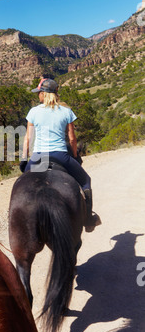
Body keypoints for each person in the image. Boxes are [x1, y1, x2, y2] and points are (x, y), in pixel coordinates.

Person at [20, 77, 101, 232]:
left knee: (22, 184)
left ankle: (16, 216)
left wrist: (24, 158)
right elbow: (72, 139)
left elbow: (28, 138)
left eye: (39, 93)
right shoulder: (66, 112)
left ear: (44, 94)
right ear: (56, 93)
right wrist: (75, 156)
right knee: (85, 181)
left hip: (38, 158)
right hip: (61, 156)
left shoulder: (33, 112)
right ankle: (89, 219)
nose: (38, 95)